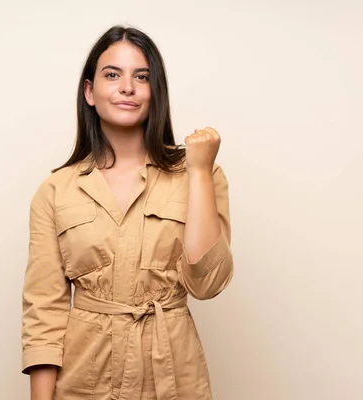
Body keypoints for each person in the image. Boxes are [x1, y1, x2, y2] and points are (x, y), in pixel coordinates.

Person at [21, 25, 234, 400]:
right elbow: (44, 312)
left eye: (142, 76)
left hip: (173, 379)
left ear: (156, 92)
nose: (127, 87)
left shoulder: (201, 174)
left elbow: (207, 283)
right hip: (83, 378)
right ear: (90, 91)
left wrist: (199, 170)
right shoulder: (55, 191)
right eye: (112, 75)